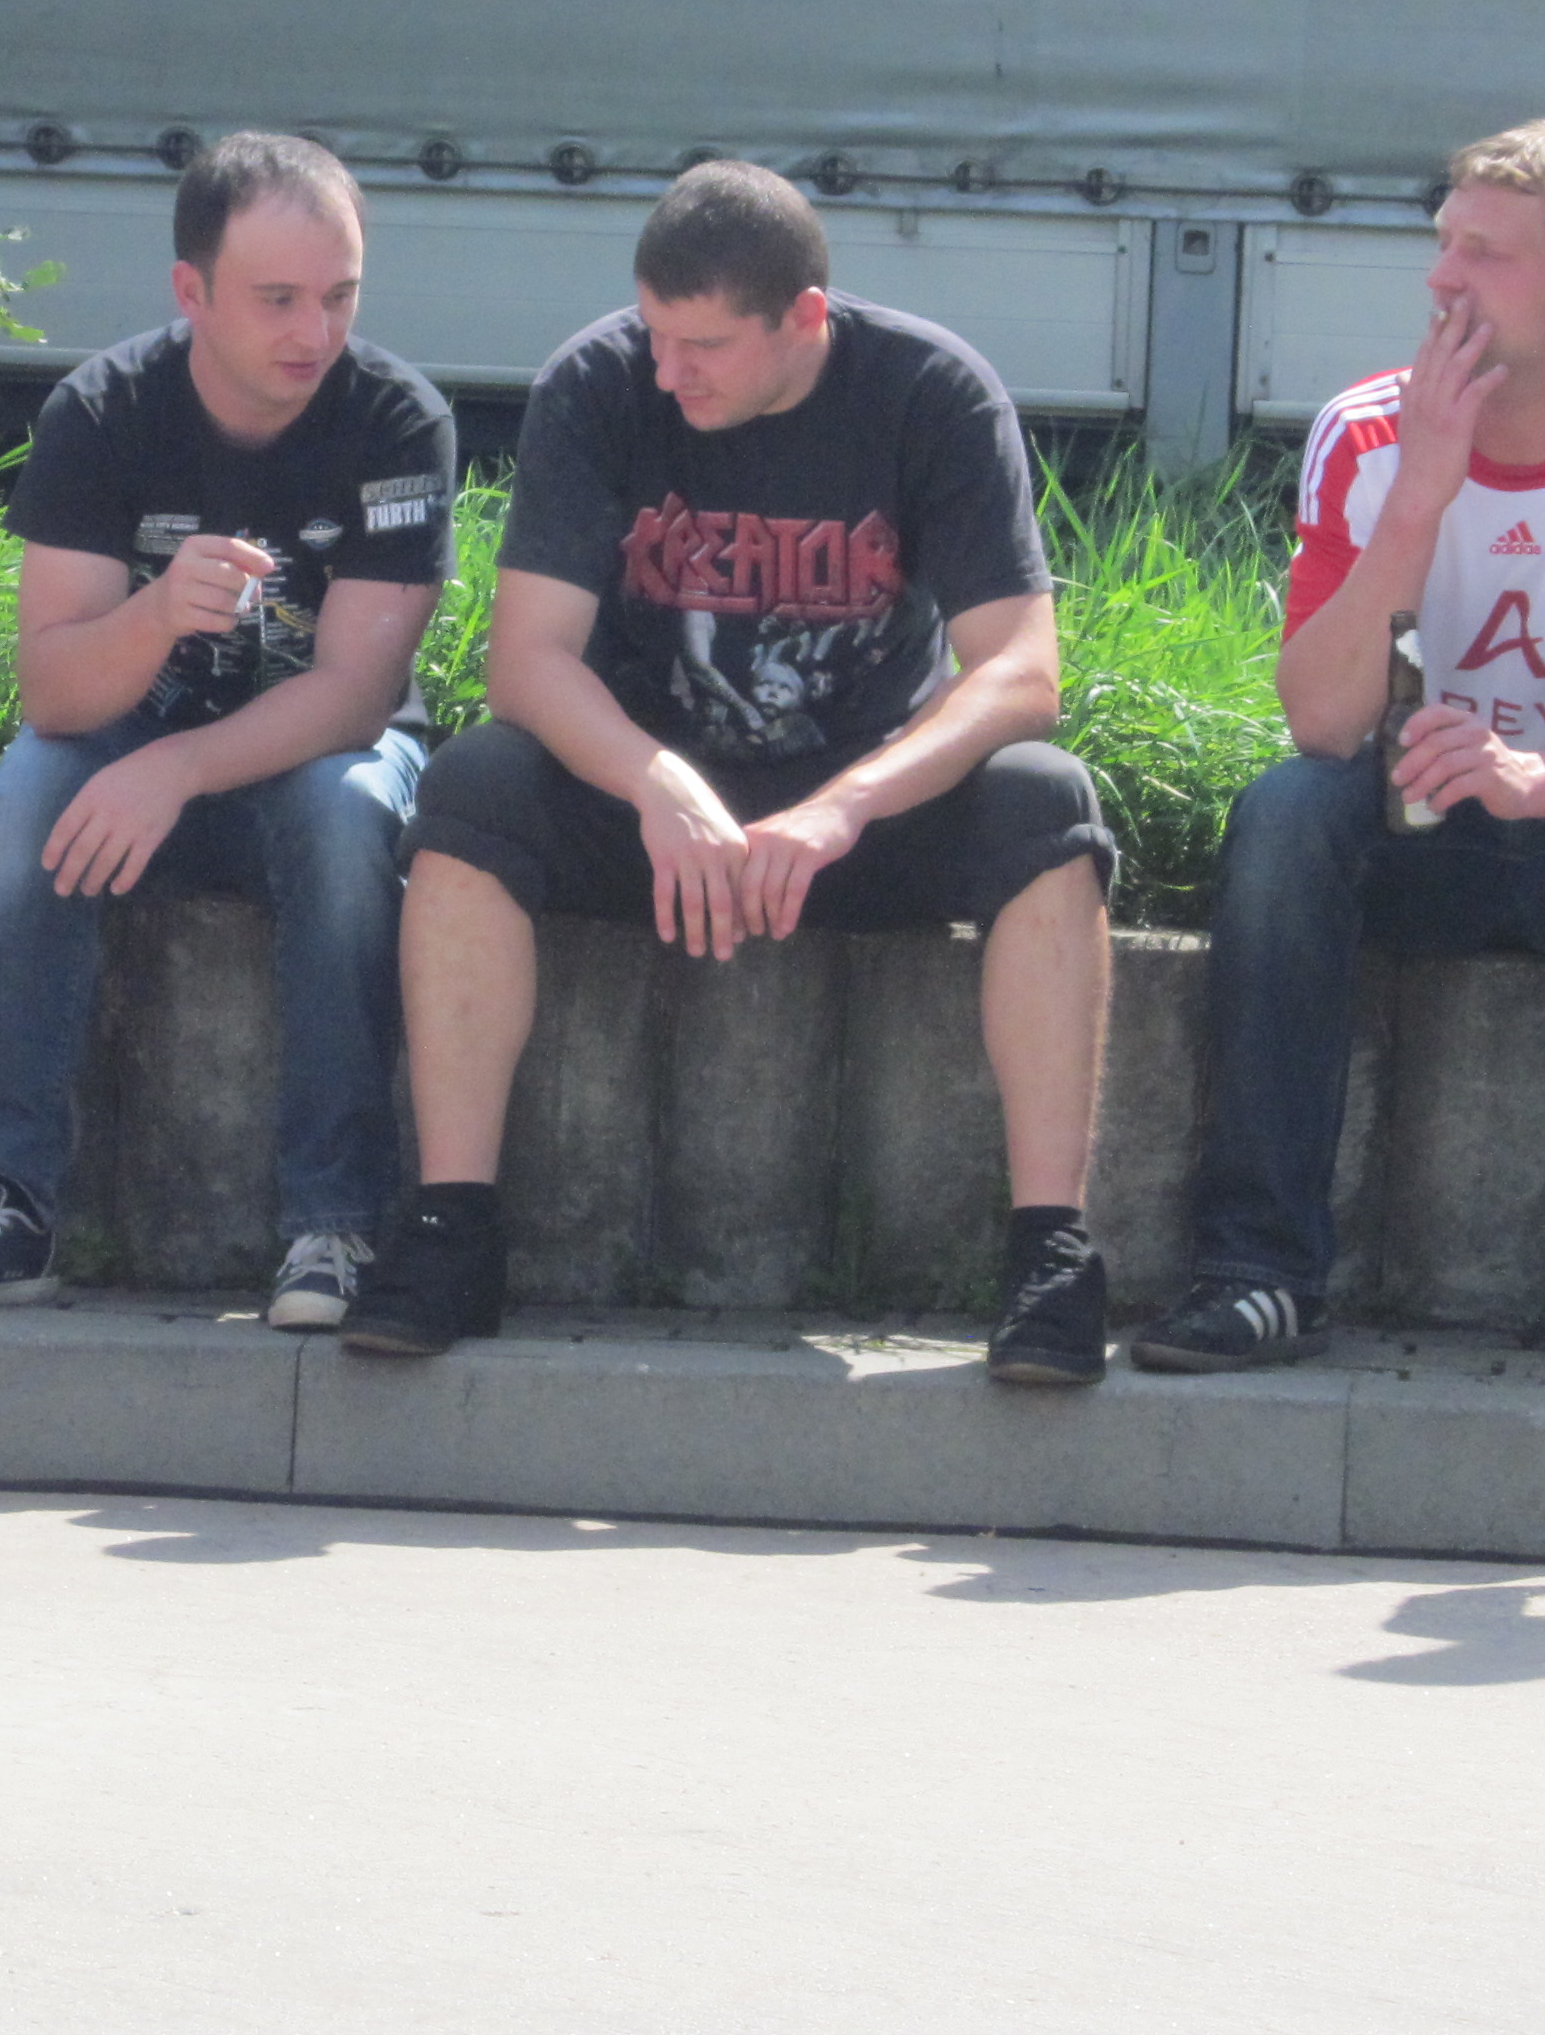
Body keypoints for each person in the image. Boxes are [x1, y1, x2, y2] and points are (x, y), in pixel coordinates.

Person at [340, 159, 1120, 1383]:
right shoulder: (596, 383)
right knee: (476, 787)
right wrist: (656, 783)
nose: (667, 371)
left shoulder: (930, 392)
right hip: (650, 808)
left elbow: (1022, 672)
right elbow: (527, 663)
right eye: (654, 333)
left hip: (857, 813)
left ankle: (1051, 1257)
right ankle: (450, 1228)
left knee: (1046, 802)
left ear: (803, 317)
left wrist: (844, 807)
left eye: (701, 345)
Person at [1146, 123, 1545, 1392]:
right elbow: (1323, 724)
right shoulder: (1365, 432)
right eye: (1442, 243)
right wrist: (1423, 494)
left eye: (1484, 254)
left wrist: (1539, 777)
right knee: (1286, 812)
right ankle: (1258, 1272)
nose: (1441, 278)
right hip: (1415, 836)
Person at [0, 133, 455, 1330]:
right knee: (26, 802)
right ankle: (0, 1199)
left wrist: (178, 767)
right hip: (122, 747)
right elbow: (52, 691)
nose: (314, 332)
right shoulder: (104, 410)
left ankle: (335, 1224)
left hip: (311, 759)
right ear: (190, 291)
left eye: (340, 296)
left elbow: (357, 694)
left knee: (349, 818)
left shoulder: (398, 421)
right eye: (278, 299)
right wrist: (153, 616)